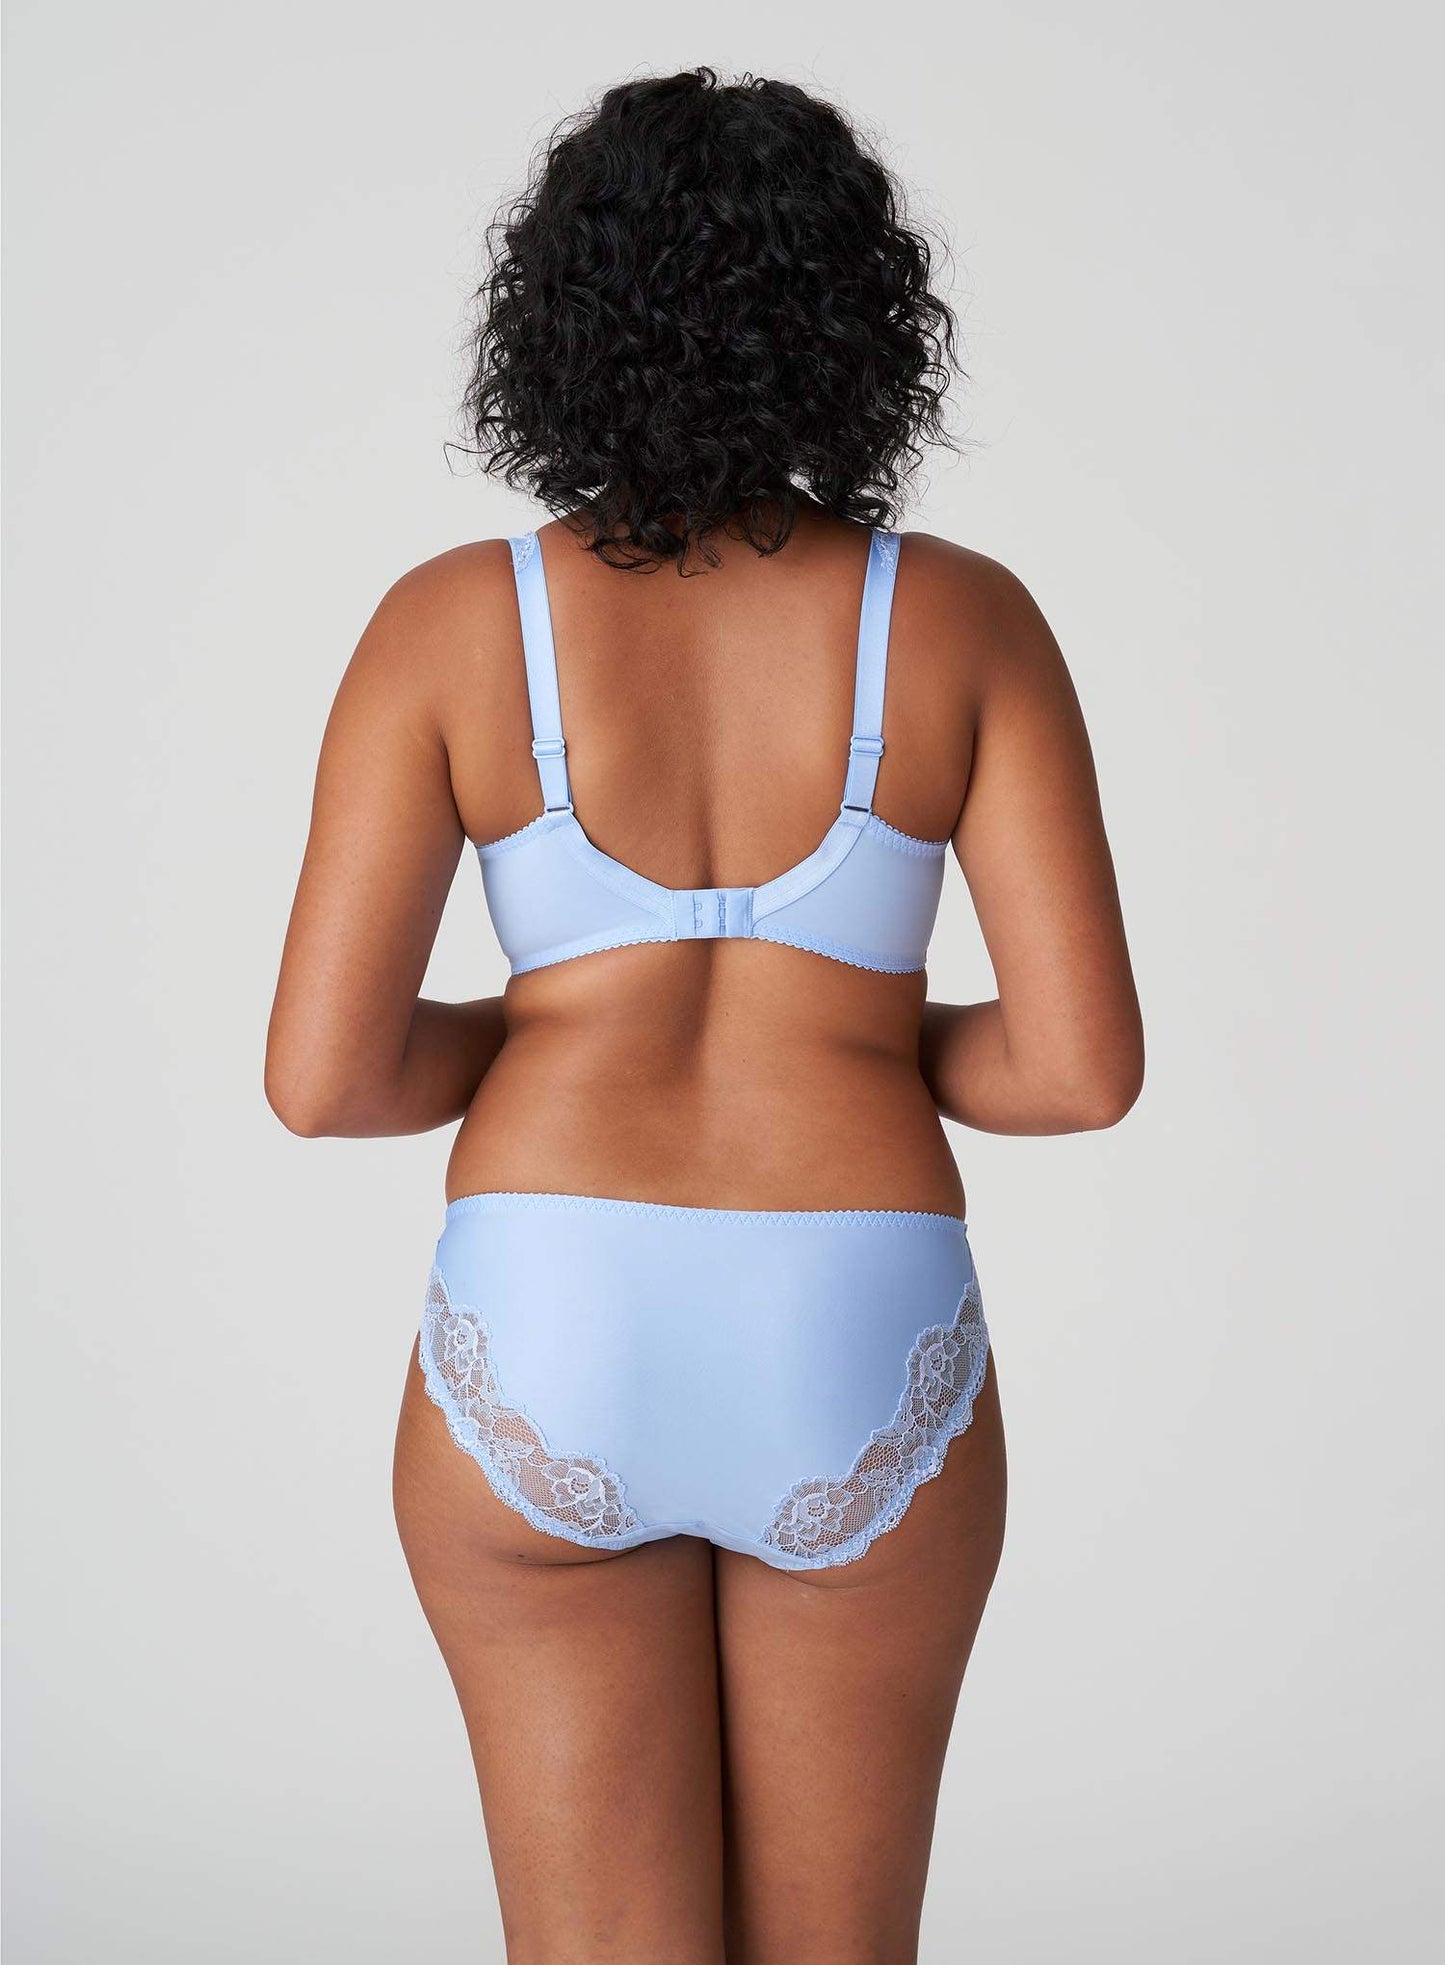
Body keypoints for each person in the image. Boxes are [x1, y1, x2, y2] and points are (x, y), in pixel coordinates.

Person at [266, 66, 1143, 1965]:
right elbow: (1077, 1071)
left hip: (549, 1309)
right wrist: (846, 1040)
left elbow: (325, 1080)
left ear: (559, 321)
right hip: (853, 1309)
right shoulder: (961, 620)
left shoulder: (450, 623)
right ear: (857, 325)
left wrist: (552, 1034)